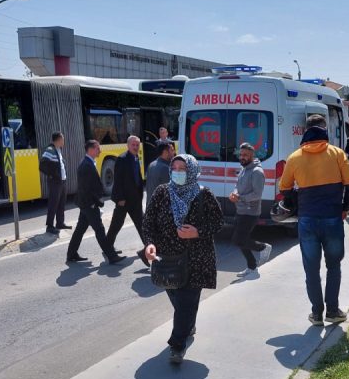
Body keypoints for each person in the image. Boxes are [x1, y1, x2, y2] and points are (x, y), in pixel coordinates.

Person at [143, 154, 223, 364]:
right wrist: (150, 244)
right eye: (175, 167)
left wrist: (197, 232)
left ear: (192, 171)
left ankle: (177, 345)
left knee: (186, 302)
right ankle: (188, 325)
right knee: (179, 300)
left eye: (183, 168)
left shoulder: (204, 195)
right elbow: (149, 221)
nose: (177, 172)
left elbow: (218, 223)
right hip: (167, 260)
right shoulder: (162, 192)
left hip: (196, 258)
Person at [279, 114, 349, 326]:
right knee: (333, 266)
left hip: (307, 220)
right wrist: (345, 208)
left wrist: (298, 203)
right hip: (332, 217)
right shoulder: (337, 153)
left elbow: (284, 188)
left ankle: (316, 314)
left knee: (311, 269)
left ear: (306, 130)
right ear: (324, 129)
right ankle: (332, 311)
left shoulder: (294, 157)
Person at [67, 140, 122, 264]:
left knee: (80, 229)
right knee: (100, 230)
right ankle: (111, 256)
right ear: (91, 150)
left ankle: (71, 254)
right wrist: (93, 203)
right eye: (98, 149)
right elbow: (85, 188)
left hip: (85, 203)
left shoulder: (88, 163)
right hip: (89, 204)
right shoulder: (86, 165)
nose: (100, 151)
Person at [230, 142, 271, 277]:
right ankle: (252, 267)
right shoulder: (244, 169)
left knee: (238, 240)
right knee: (241, 240)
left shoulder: (257, 172)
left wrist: (240, 198)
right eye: (241, 154)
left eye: (245, 155)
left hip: (251, 212)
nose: (242, 157)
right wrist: (235, 193)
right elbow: (238, 186)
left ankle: (263, 247)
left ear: (252, 155)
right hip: (241, 210)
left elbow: (257, 194)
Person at [107, 135, 148, 265]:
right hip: (124, 200)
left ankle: (148, 249)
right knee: (116, 224)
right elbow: (118, 181)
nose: (136, 147)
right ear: (128, 145)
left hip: (135, 199)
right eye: (133, 145)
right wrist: (120, 198)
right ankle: (108, 248)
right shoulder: (122, 159)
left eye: (137, 145)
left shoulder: (136, 158)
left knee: (142, 225)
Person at [40, 132, 70, 234]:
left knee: (61, 203)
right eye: (63, 139)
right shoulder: (50, 149)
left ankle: (60, 223)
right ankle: (49, 226)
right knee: (53, 203)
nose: (64, 141)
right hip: (55, 182)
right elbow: (42, 165)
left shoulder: (58, 149)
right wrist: (52, 175)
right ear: (58, 140)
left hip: (62, 181)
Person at [146, 140, 175, 205]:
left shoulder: (151, 164)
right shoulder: (165, 168)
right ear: (165, 152)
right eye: (172, 150)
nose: (174, 152)